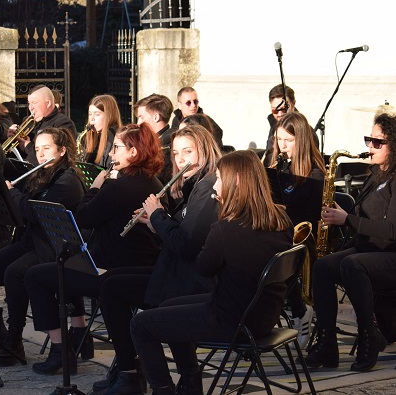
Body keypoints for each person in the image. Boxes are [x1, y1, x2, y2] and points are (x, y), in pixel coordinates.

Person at [130, 150, 293, 395]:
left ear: (235, 181)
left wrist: (164, 223)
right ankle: (190, 384)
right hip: (263, 314)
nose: (215, 185)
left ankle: (164, 390)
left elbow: (204, 268)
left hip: (232, 319)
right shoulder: (282, 219)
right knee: (169, 305)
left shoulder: (226, 228)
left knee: (140, 324)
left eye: (219, 178)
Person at [25, 123, 164, 376]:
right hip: (142, 268)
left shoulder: (117, 186)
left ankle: (61, 350)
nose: (111, 154)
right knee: (67, 265)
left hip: (112, 272)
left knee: (36, 276)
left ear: (133, 152)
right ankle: (78, 333)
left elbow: (82, 217)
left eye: (117, 148)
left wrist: (95, 187)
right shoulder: (153, 181)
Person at [91, 125, 221, 394]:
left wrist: (159, 215)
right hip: (176, 272)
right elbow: (182, 233)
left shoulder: (207, 187)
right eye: (176, 153)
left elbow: (186, 244)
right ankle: (183, 376)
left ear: (205, 151)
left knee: (116, 291)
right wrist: (154, 223)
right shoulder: (193, 185)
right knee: (110, 283)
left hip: (192, 281)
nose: (181, 159)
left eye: (188, 151)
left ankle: (135, 375)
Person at [0, 128, 86, 366]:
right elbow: (21, 211)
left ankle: (15, 339)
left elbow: (35, 211)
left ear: (62, 151)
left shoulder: (67, 181)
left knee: (15, 273)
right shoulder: (40, 174)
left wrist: (12, 195)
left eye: (47, 149)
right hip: (30, 242)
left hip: (54, 248)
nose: (41, 155)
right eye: (38, 149)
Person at [306, 113, 396, 372]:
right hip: (370, 249)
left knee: (353, 265)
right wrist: (342, 218)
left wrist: (348, 219)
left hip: (390, 253)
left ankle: (370, 336)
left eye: (378, 142)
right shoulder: (376, 174)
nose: (370, 147)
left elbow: (391, 229)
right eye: (369, 140)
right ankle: (327, 345)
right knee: (323, 266)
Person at [269, 111, 325, 348]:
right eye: (279, 140)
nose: (282, 146)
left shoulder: (314, 175)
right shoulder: (279, 168)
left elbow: (309, 216)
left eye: (288, 141)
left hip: (302, 236)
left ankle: (300, 312)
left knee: (273, 255)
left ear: (301, 141)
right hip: (280, 231)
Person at [8, 85, 77, 165]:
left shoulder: (64, 123)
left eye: (34, 103)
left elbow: (58, 157)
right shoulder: (29, 122)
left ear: (48, 103)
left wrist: (28, 146)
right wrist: (13, 140)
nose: (30, 108)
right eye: (29, 103)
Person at [263, 84, 319, 165]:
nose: (280, 114)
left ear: (294, 103)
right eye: (275, 110)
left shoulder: (307, 132)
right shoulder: (274, 124)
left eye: (284, 108)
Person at [135, 94, 174, 183]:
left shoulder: (167, 144)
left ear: (156, 117)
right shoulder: (157, 141)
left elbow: (150, 177)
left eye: (141, 117)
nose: (138, 123)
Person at [80, 94, 122, 167]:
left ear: (109, 115)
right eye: (90, 114)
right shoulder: (89, 136)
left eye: (97, 114)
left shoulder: (113, 136)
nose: (92, 119)